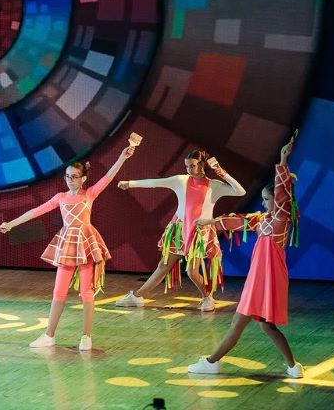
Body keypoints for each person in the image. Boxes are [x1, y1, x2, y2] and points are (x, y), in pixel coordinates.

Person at [0, 137, 138, 351]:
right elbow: (36, 211)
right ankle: (49, 335)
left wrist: (122, 157)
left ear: (83, 178)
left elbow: (109, 176)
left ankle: (86, 337)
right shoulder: (60, 197)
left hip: (85, 242)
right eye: (67, 176)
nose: (70, 180)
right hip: (67, 245)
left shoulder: (89, 194)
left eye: (74, 177)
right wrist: (11, 224)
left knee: (87, 292)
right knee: (59, 291)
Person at [188, 134, 303, 378]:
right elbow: (237, 221)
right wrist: (210, 221)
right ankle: (294, 367)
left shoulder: (281, 221)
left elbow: (283, 194)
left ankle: (211, 362)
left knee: (238, 324)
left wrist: (283, 160)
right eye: (262, 200)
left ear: (278, 200)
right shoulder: (262, 220)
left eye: (267, 200)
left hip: (265, 280)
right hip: (260, 279)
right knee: (267, 326)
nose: (263, 204)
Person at [114, 150, 245, 311]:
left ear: (202, 165)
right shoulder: (180, 180)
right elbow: (155, 182)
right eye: (187, 166)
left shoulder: (214, 185)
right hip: (179, 229)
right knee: (163, 265)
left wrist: (223, 174)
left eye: (193, 166)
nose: (189, 169)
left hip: (199, 232)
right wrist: (130, 183)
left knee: (191, 271)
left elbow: (240, 191)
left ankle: (207, 297)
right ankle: (137, 296)